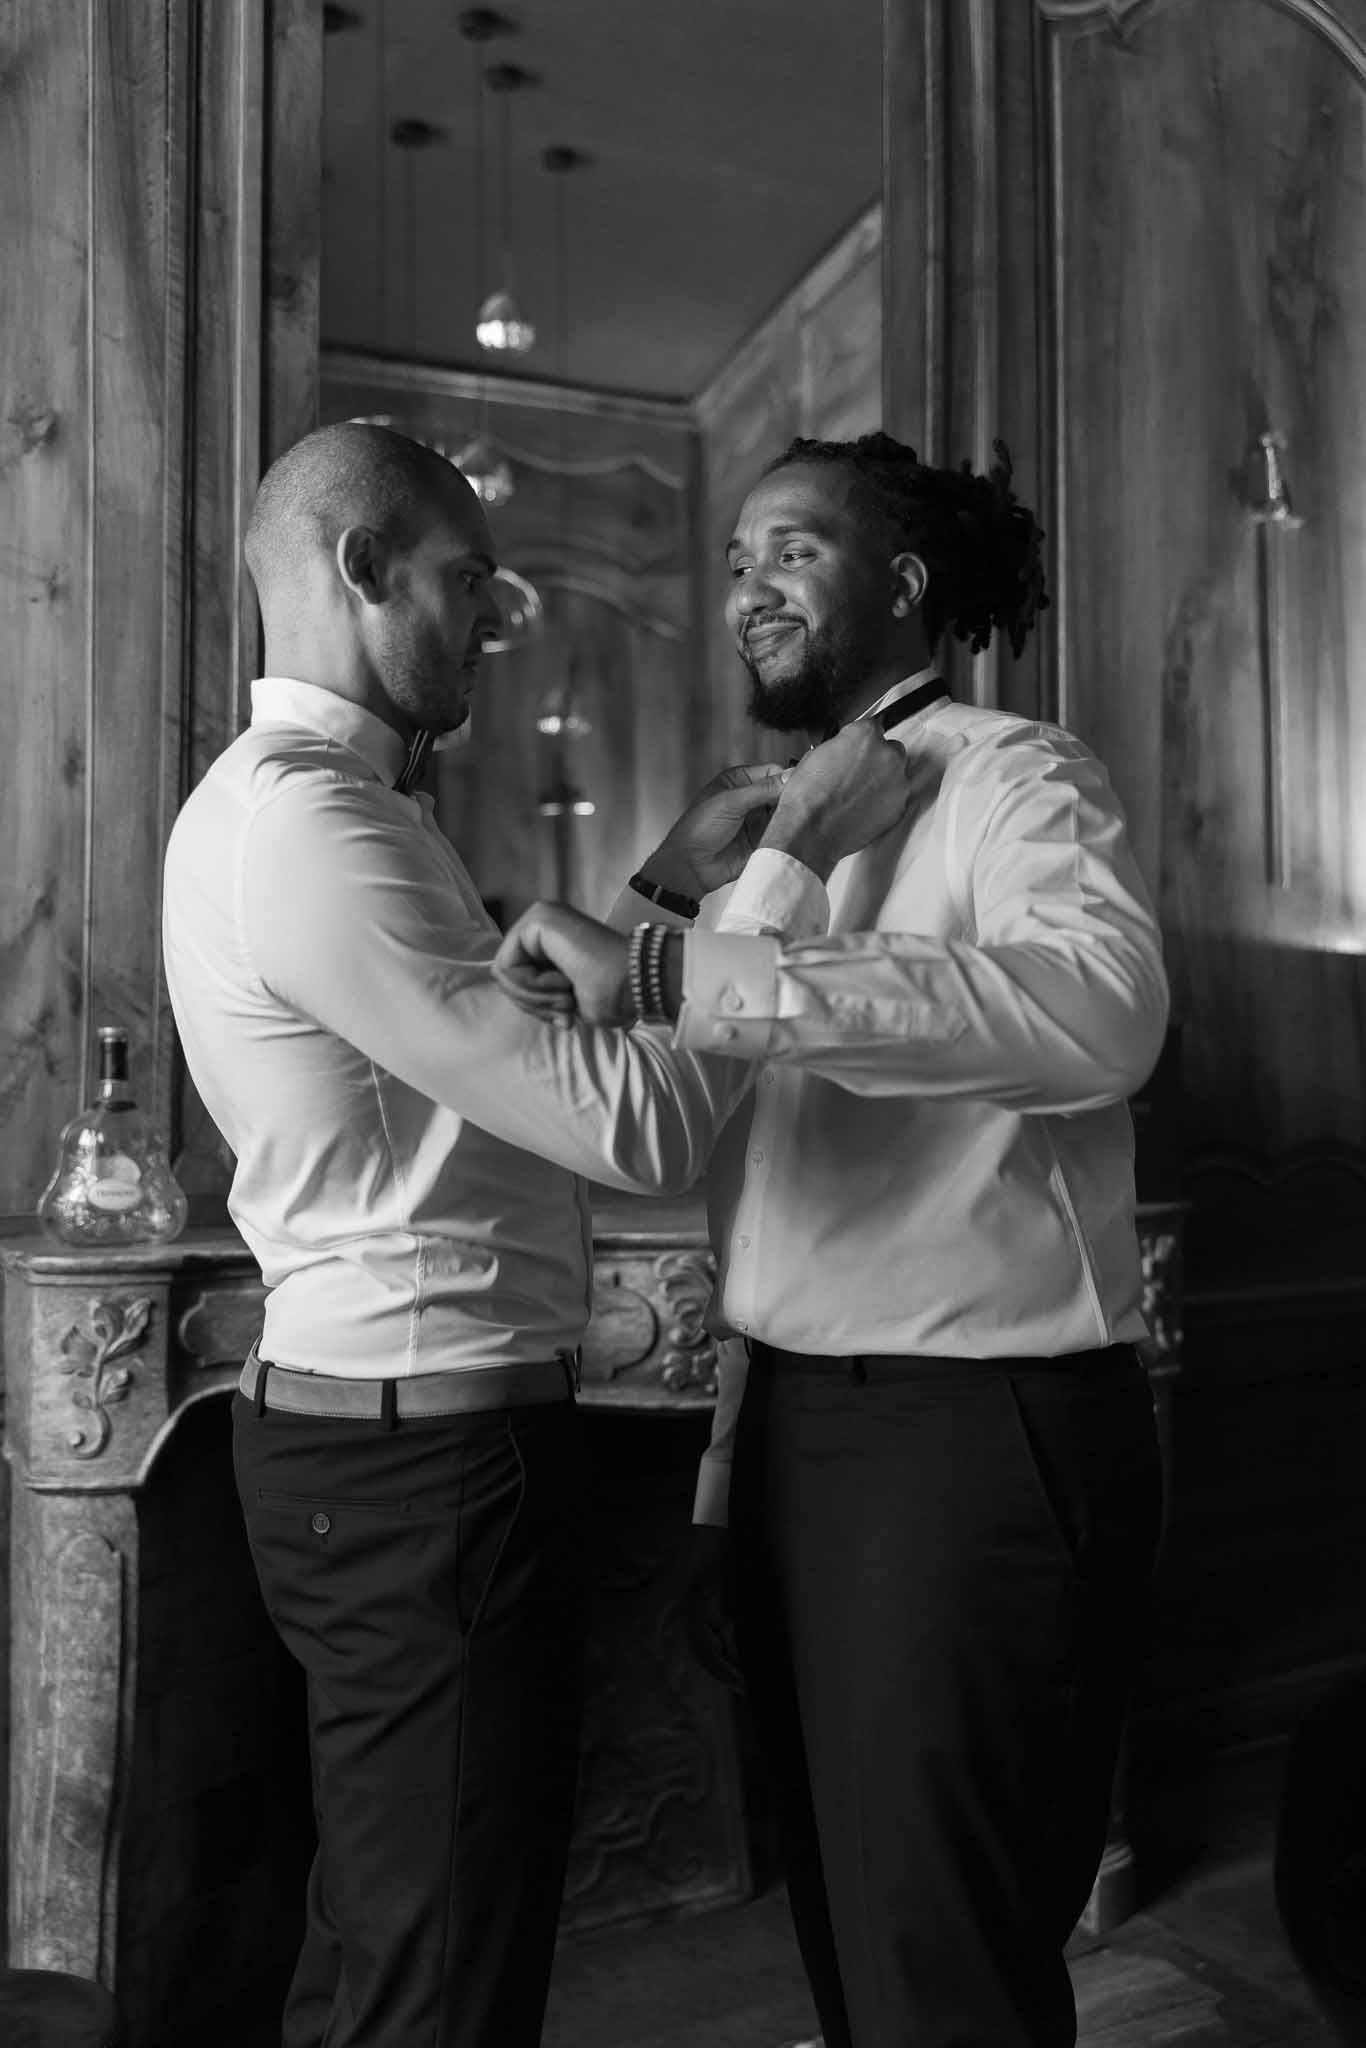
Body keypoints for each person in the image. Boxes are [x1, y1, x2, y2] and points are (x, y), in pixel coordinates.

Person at [160, 420, 915, 2048]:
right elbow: (625, 1123)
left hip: (370, 1443)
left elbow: (469, 1068)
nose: (487, 632)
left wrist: (655, 890)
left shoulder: (306, 804)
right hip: (419, 1471)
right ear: (361, 570)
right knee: (439, 1979)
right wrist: (779, 873)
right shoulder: (314, 826)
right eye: (464, 586)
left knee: (379, 1939)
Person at [493, 430, 1171, 2048]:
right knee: (848, 1925)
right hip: (799, 1415)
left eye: (788, 550)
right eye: (732, 561)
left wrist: (673, 966)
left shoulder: (1017, 773)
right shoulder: (764, 840)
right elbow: (677, 1125)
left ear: (904, 584)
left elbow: (1099, 1020)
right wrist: (689, 886)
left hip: (975, 1438)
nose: (745, 589)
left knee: (942, 1954)